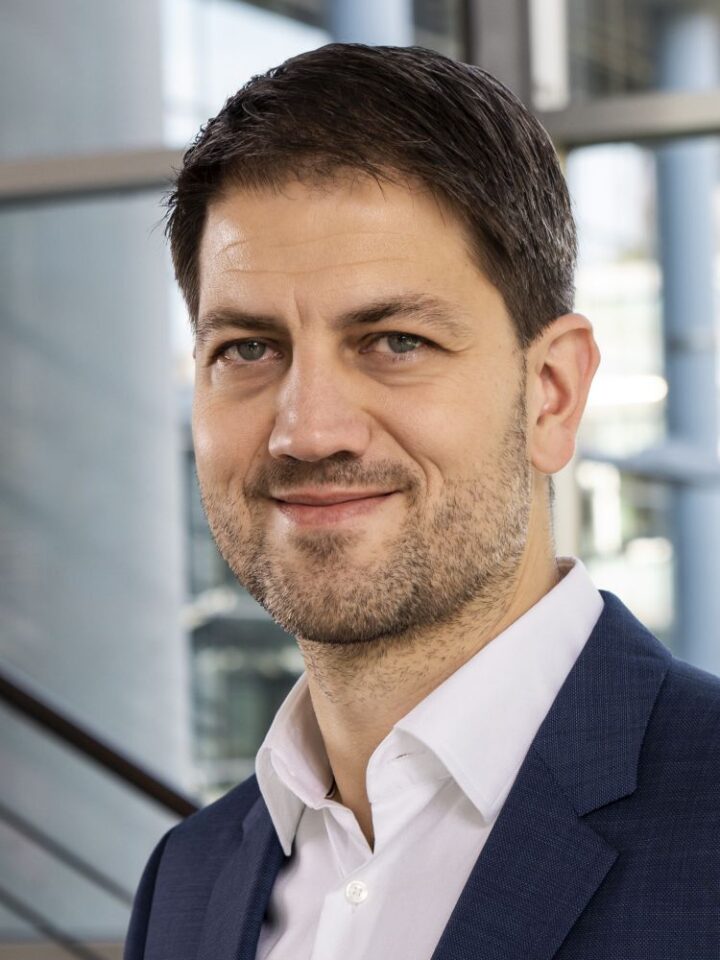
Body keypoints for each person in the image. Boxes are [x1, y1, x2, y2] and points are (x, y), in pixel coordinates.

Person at [124, 43, 720, 960]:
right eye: (247, 350)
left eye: (395, 342)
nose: (307, 432)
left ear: (552, 394)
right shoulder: (188, 880)